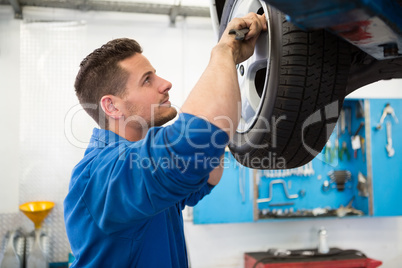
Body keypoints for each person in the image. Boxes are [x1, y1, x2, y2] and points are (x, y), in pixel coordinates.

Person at [64, 12, 267, 268]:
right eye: (147, 80)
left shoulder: (142, 169)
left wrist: (233, 62)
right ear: (112, 107)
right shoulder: (101, 173)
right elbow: (195, 141)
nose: (165, 84)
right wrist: (224, 52)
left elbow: (207, 171)